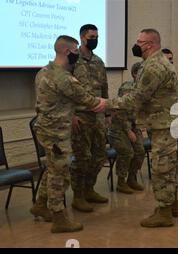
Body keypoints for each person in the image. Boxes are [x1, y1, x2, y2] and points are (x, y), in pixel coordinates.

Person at [30, 35, 107, 233]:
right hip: (57, 133)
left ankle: (40, 204)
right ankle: (59, 218)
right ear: (66, 52)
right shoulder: (64, 78)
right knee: (60, 174)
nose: (77, 55)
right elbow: (88, 100)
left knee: (51, 169)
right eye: (75, 51)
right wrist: (110, 105)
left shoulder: (42, 72)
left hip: (46, 129)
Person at [109, 29, 178, 228]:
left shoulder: (154, 67)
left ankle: (164, 212)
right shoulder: (154, 63)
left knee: (162, 168)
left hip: (164, 125)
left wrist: (106, 104)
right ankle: (172, 204)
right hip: (166, 122)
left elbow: (136, 98)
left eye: (139, 41)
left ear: (149, 44)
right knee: (169, 165)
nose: (136, 44)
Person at [70, 24, 110, 213]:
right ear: (82, 37)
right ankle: (78, 196)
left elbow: (104, 88)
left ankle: (89, 189)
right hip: (80, 117)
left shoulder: (99, 61)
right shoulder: (72, 60)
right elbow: (64, 90)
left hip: (98, 117)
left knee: (99, 155)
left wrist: (108, 113)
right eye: (92, 36)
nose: (95, 39)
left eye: (97, 36)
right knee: (82, 157)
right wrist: (71, 115)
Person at [109, 62, 145, 194]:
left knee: (140, 151)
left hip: (132, 125)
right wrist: (128, 131)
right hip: (119, 126)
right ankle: (121, 182)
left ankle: (132, 178)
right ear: (135, 74)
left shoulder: (142, 89)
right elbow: (120, 113)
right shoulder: (127, 88)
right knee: (127, 152)